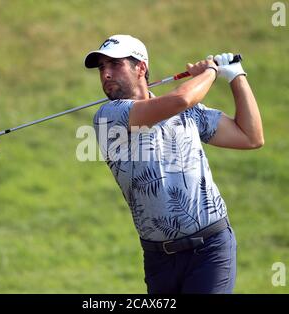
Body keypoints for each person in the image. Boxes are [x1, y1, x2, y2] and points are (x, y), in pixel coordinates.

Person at [85, 34, 263, 294]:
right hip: (159, 259)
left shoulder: (189, 112)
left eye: (115, 65)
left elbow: (251, 136)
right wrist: (211, 72)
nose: (106, 74)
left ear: (141, 68)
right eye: (102, 68)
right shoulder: (108, 117)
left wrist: (236, 76)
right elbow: (180, 100)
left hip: (210, 248)